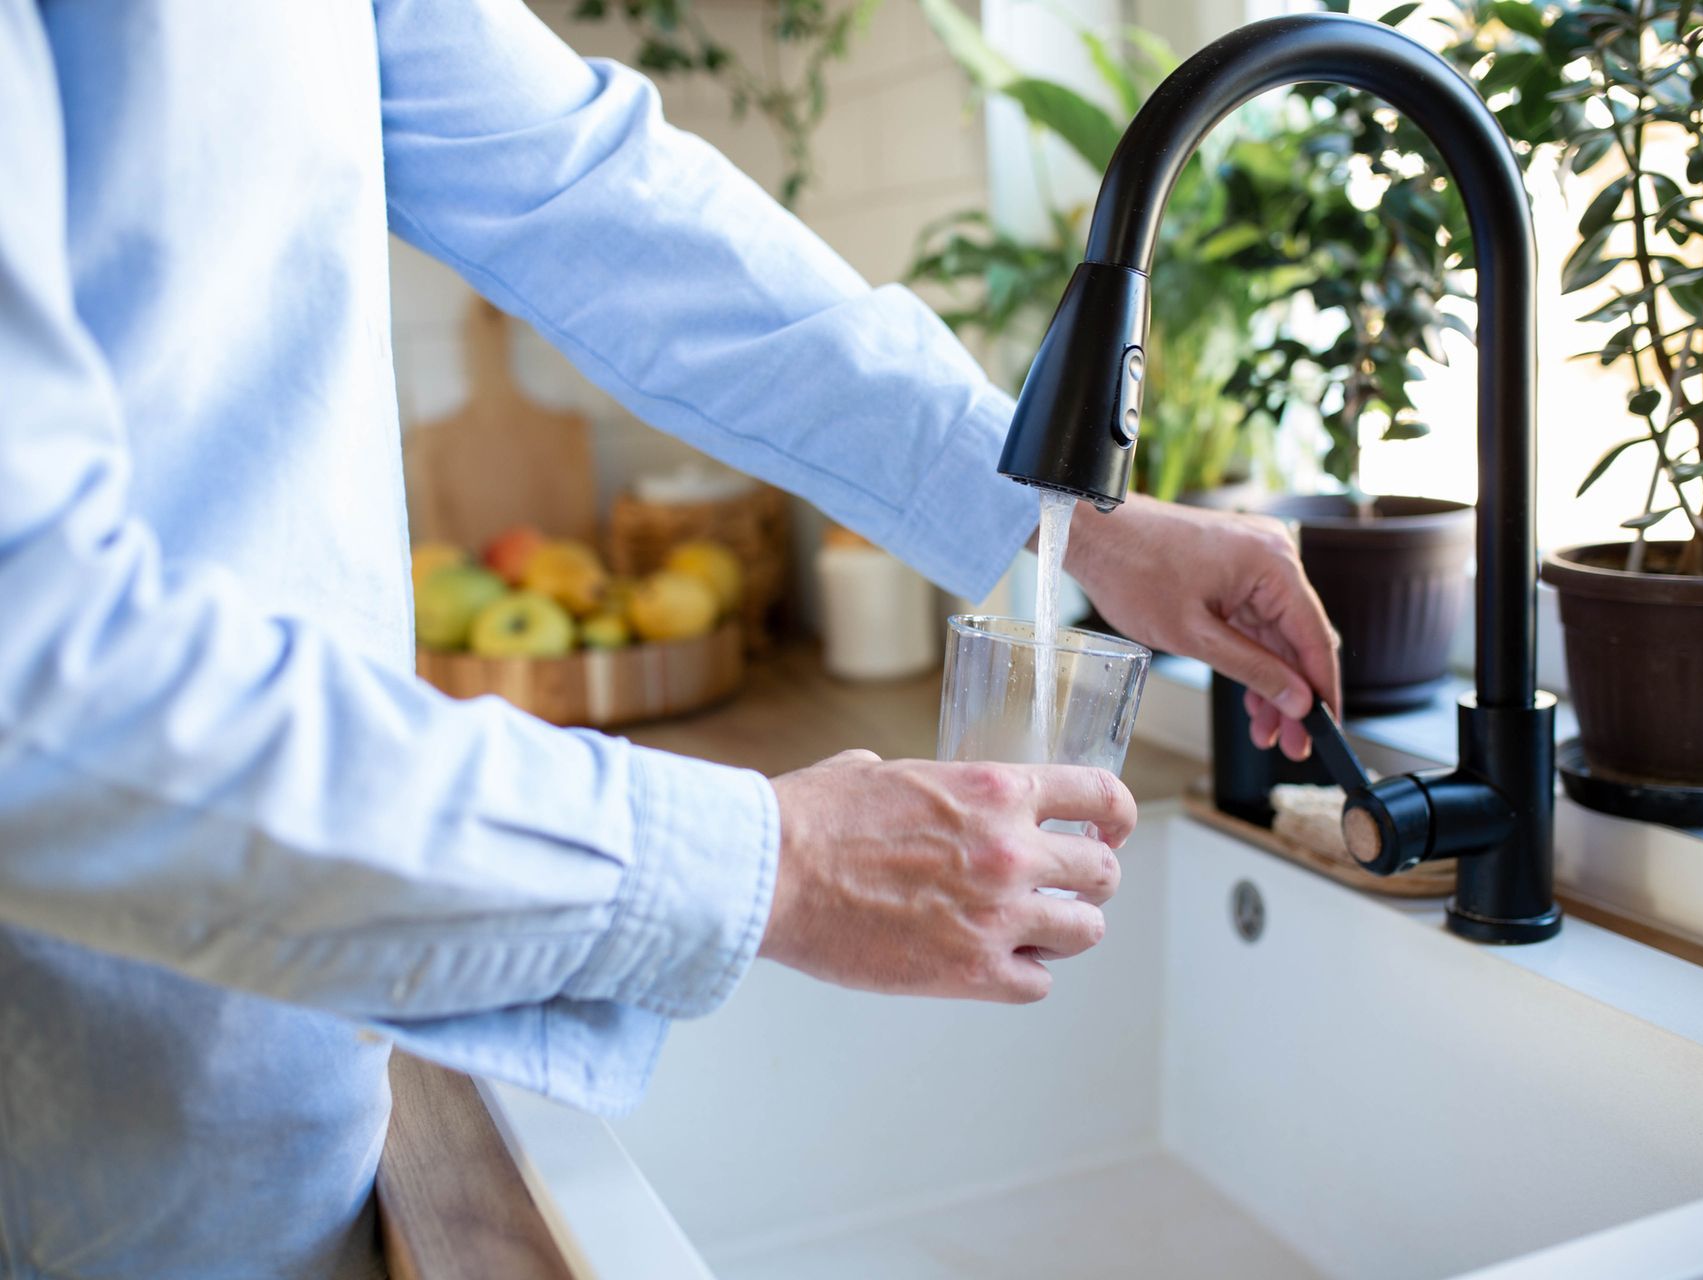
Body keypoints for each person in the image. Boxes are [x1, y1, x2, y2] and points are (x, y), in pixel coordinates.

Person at [0, 2, 1340, 1276]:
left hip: (270, 1079)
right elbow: (31, 674)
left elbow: (588, 188)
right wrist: (781, 863)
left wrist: (1082, 525)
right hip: (70, 1110)